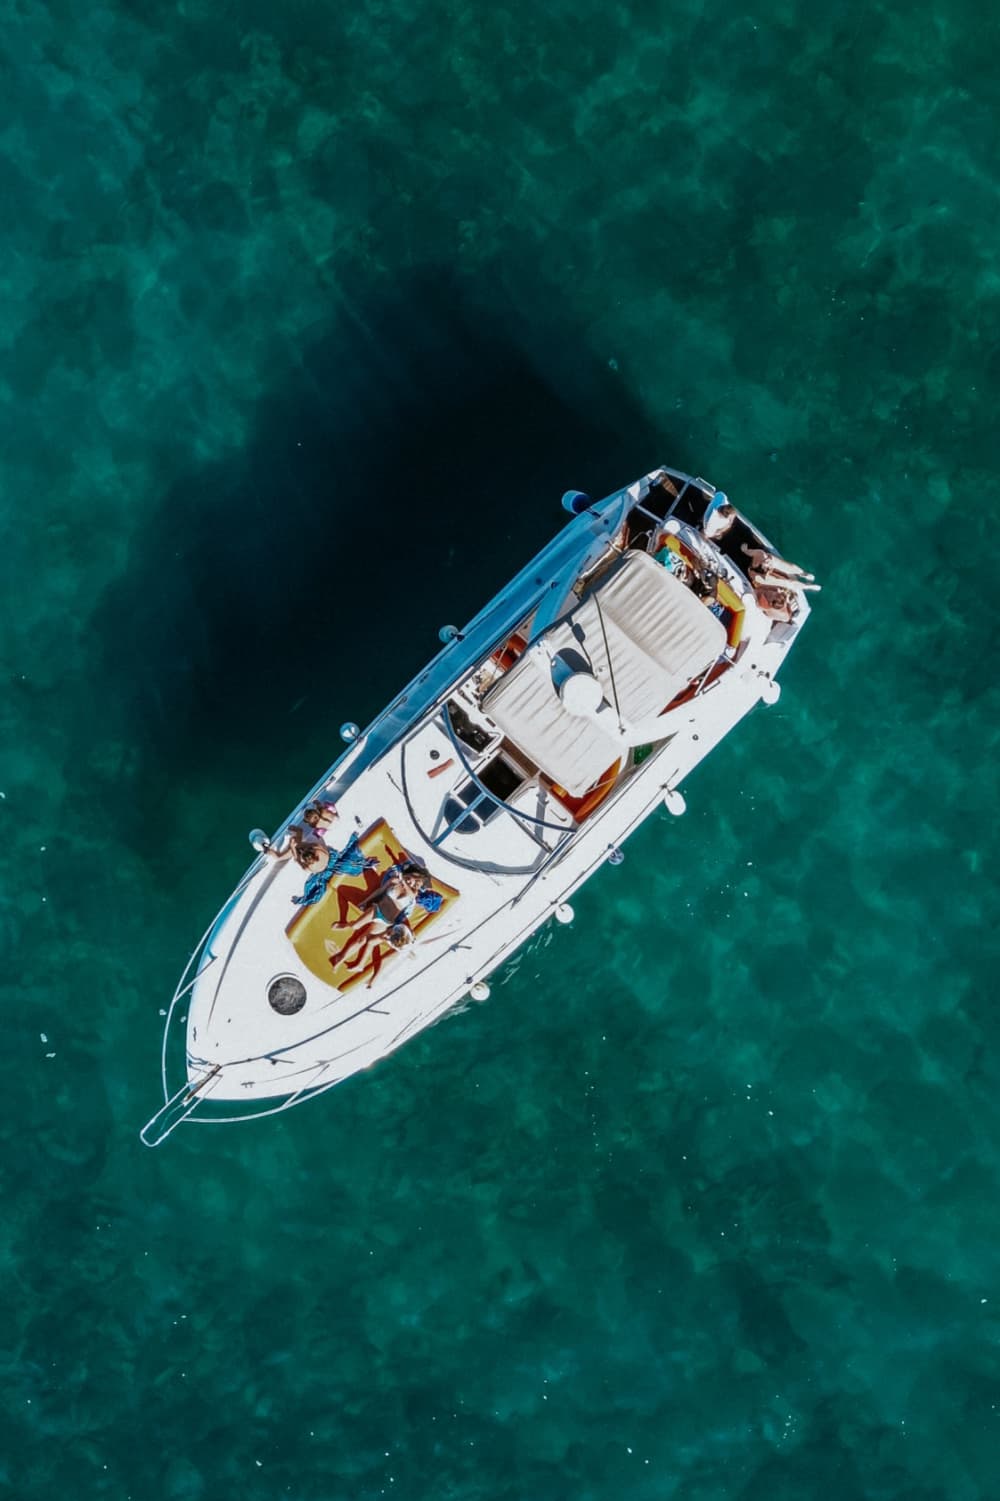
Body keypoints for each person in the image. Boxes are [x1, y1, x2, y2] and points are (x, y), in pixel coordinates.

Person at [328, 861, 442, 964]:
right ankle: (346, 925)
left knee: (362, 939)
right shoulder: (394, 881)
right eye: (413, 880)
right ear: (411, 874)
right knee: (355, 926)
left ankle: (341, 957)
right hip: (376, 909)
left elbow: (409, 890)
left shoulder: (412, 894)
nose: (413, 884)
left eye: (416, 884)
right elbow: (379, 891)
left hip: (385, 921)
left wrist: (403, 880)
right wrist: (365, 901)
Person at [337, 920, 414, 990]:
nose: (386, 935)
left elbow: (390, 939)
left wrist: (384, 937)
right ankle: (360, 965)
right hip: (400, 934)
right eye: (388, 934)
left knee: (382, 958)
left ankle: (374, 978)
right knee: (371, 942)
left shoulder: (400, 945)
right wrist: (384, 937)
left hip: (401, 942)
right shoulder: (399, 929)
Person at [741, 544, 820, 590]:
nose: (768, 563)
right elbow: (759, 575)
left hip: (762, 567)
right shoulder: (757, 576)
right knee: (787, 583)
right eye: (768, 566)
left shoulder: (761, 554)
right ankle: (807, 586)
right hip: (758, 574)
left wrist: (744, 549)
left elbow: (748, 552)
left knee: (788, 566)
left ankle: (802, 573)